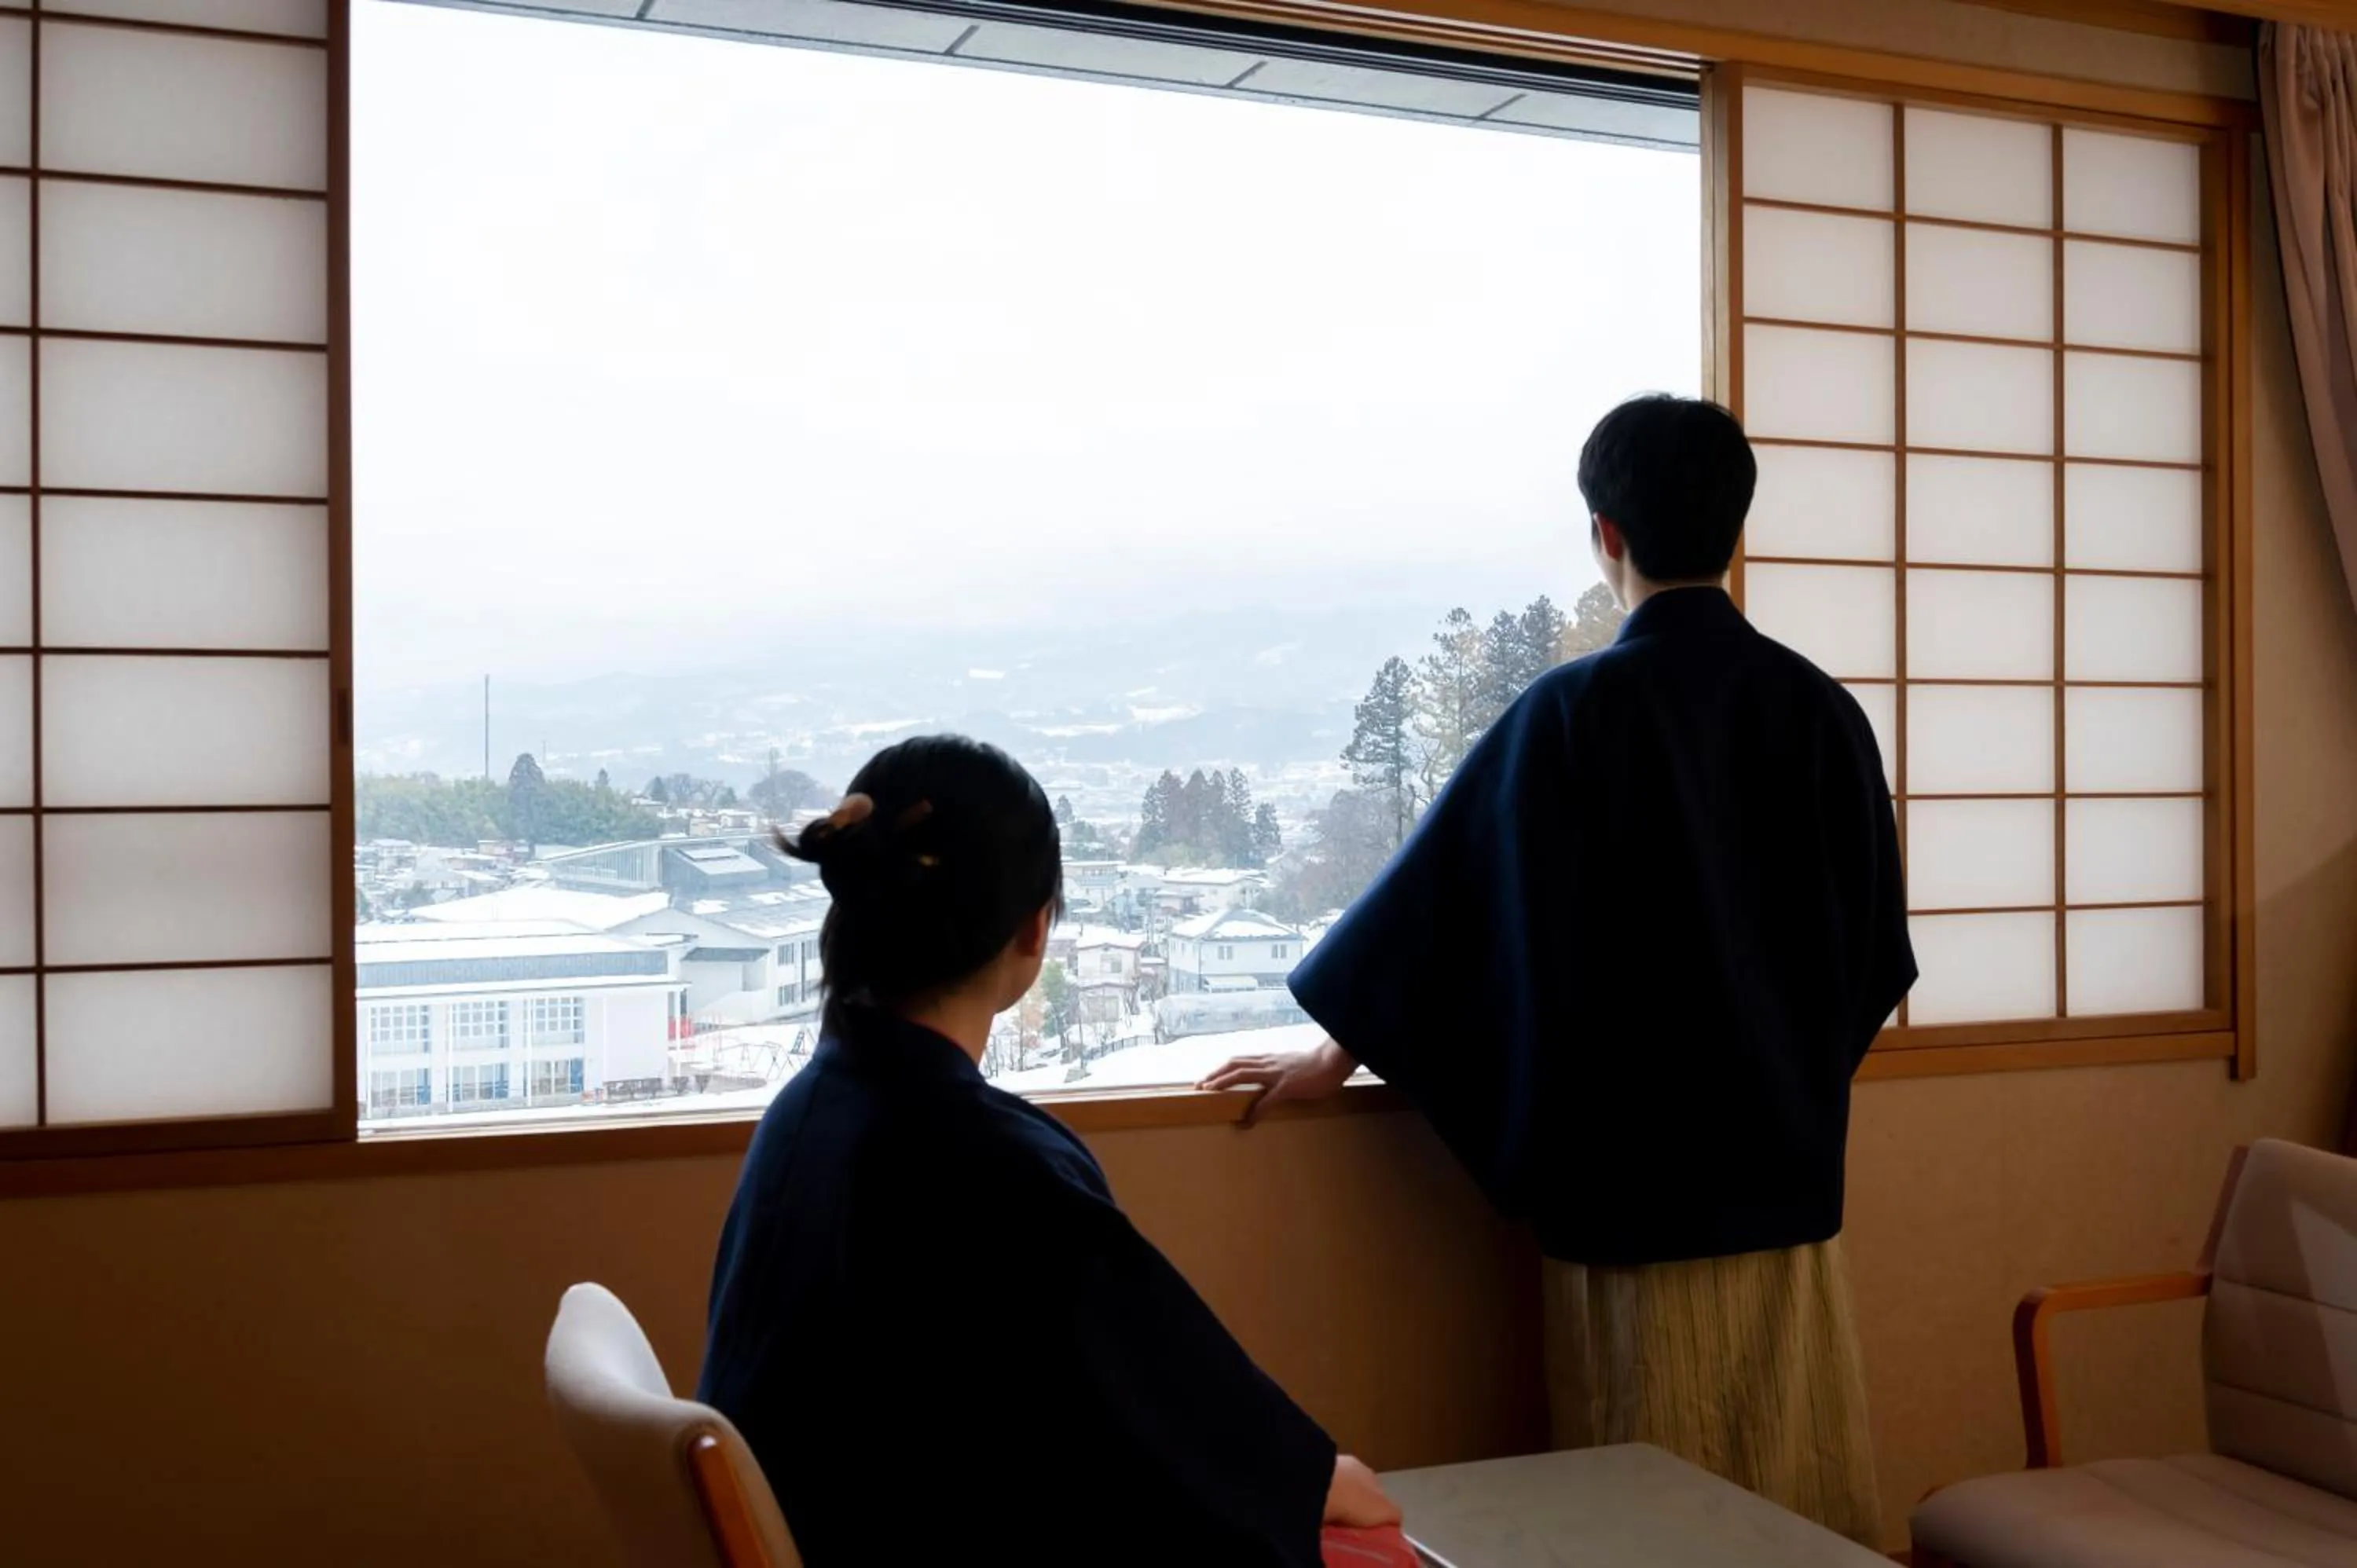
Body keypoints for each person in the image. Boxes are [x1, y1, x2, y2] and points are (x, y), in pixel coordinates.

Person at [1200, 394, 1914, 1546]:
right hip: (1785, 1192)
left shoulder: (1569, 714)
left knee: (1638, 1504)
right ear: (1736, 531)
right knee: (1794, 1481)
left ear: (1606, 536)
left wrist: (1337, 1050)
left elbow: (1437, 912)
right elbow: (1877, 953)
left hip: (1629, 1193)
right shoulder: (1822, 712)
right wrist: (1783, 1080)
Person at [697, 734, 1399, 1566]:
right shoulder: (993, 1170)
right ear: (1035, 929)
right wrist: (1318, 1480)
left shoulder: (809, 1111)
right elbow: (1207, 1434)